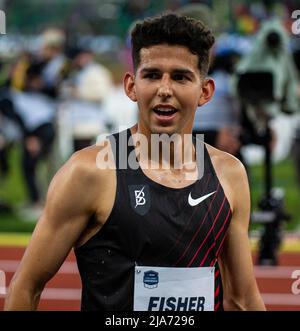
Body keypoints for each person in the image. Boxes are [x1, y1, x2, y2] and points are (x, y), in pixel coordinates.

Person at [4, 13, 265, 311]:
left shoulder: (229, 174)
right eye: (152, 75)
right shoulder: (90, 172)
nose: (164, 90)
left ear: (204, 91)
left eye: (180, 77)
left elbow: (242, 299)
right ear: (131, 86)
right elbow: (25, 287)